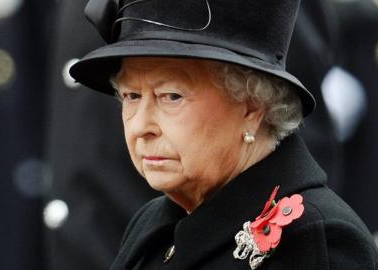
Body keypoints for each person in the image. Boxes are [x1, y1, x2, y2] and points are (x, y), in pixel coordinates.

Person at [69, 0, 378, 269]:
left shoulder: (314, 238)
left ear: (252, 107)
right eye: (131, 96)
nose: (140, 127)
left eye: (171, 96)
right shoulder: (150, 225)